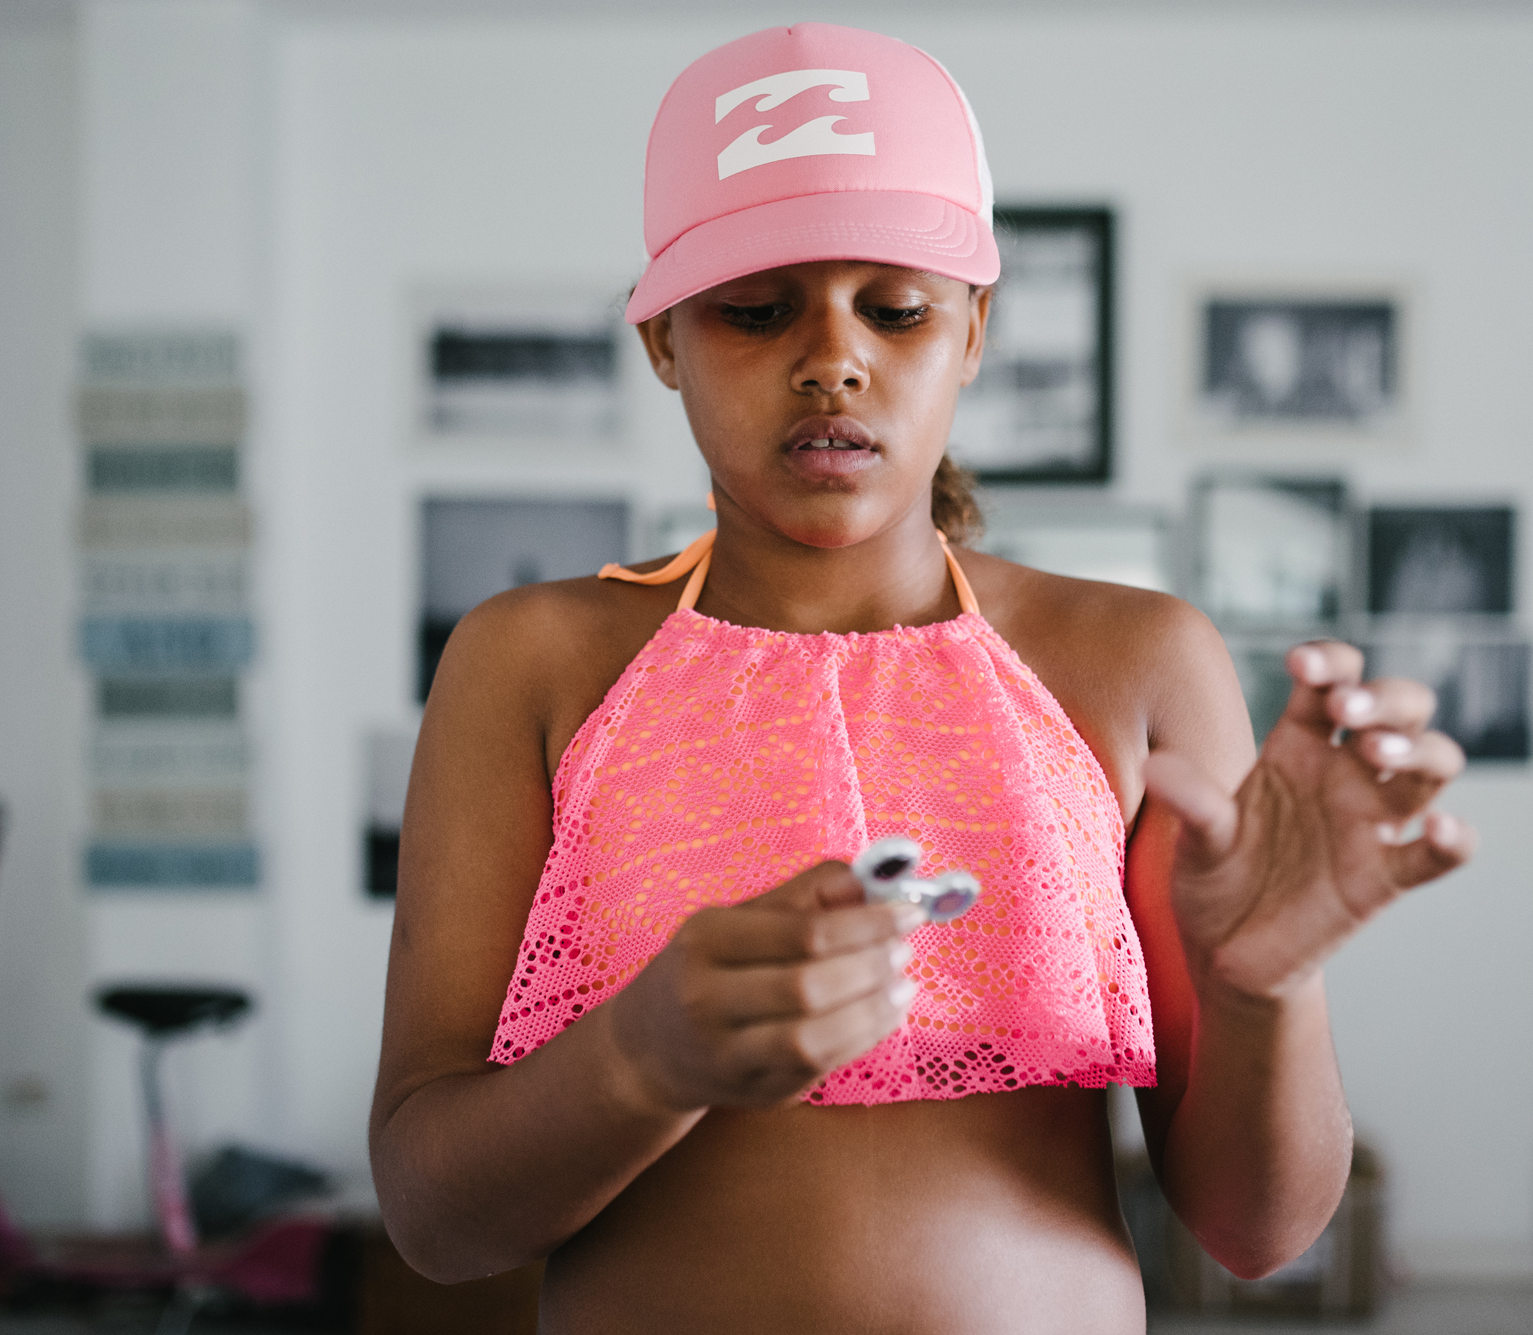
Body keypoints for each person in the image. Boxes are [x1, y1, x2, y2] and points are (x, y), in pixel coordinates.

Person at [370, 22, 1473, 1332]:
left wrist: (1261, 992)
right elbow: (436, 1221)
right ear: (662, 337)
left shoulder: (1132, 666)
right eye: (756, 307)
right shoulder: (532, 662)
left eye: (893, 308)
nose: (832, 357)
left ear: (972, 329)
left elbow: (1253, 1230)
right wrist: (639, 1059)